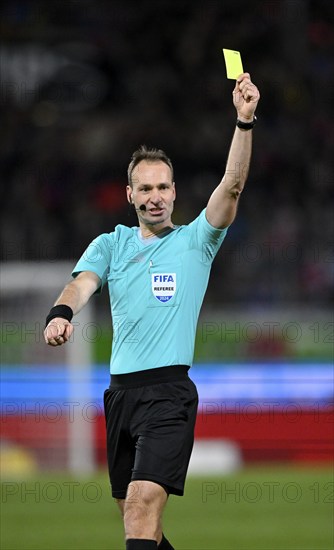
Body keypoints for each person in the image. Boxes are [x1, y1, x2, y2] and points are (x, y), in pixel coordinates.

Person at [44, 72, 260, 550]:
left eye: (163, 187)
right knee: (140, 525)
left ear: (175, 192)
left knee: (141, 507)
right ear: (130, 196)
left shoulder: (197, 241)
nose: (155, 196)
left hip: (168, 394)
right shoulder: (111, 244)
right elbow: (83, 283)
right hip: (120, 396)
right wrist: (60, 312)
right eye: (145, 189)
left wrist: (244, 122)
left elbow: (233, 185)